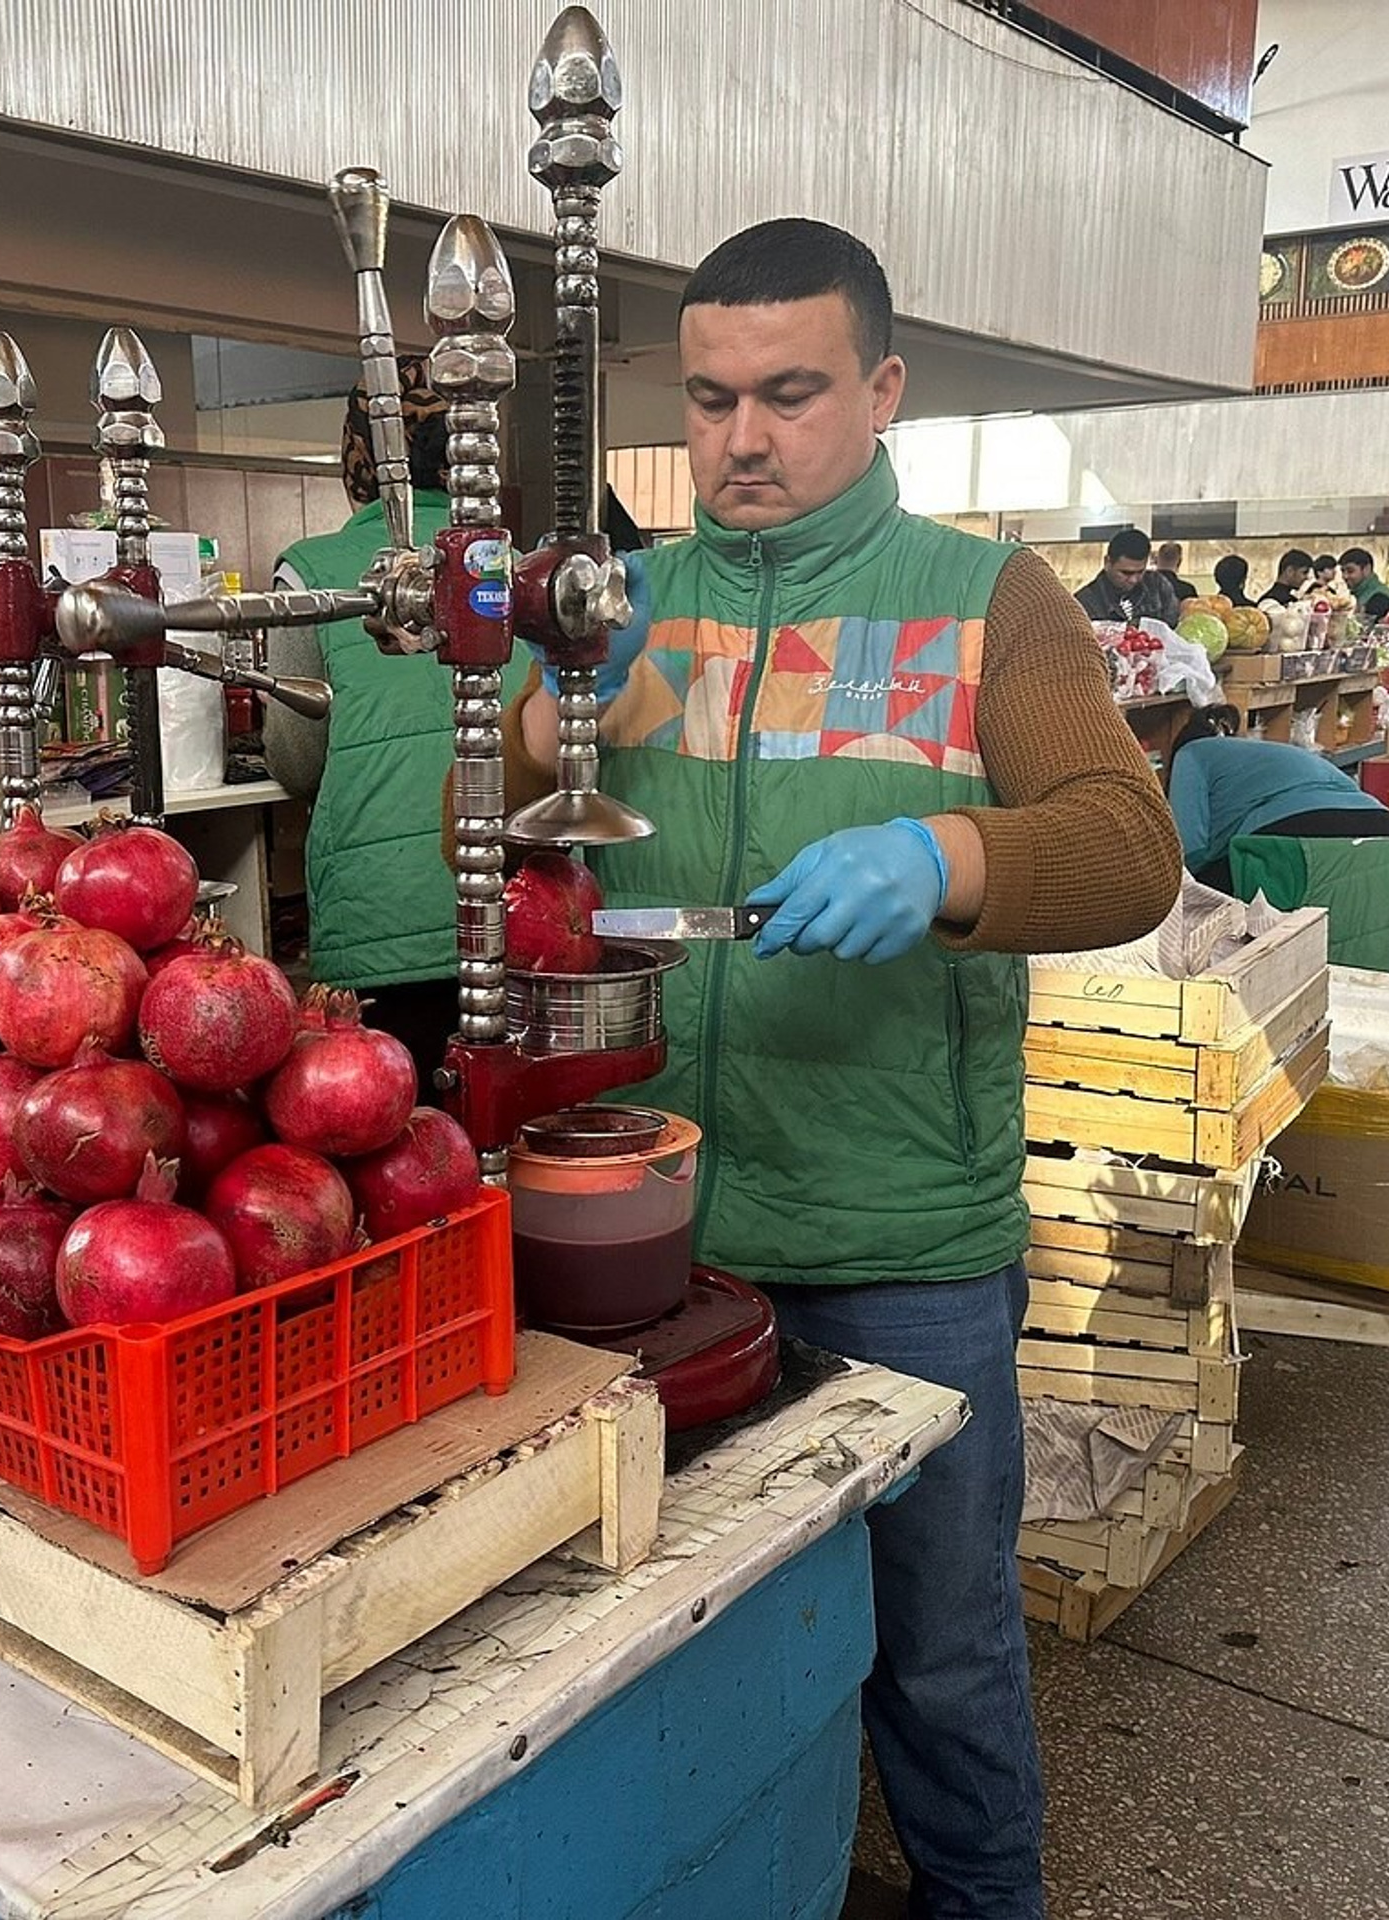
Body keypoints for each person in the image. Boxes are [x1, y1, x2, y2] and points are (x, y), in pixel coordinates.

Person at [506, 217, 1180, 1920]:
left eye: (791, 394)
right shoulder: (630, 609)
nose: (744, 437)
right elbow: (496, 842)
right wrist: (534, 718)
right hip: (646, 1235)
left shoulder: (982, 601)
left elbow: (1125, 848)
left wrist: (947, 858)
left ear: (881, 389)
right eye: (716, 397)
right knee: (661, 1643)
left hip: (900, 1240)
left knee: (942, 1659)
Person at [266, 359, 527, 1088]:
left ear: (358, 459)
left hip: (374, 923)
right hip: (513, 914)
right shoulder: (517, 567)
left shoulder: (309, 572)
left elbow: (294, 757)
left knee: (397, 1151)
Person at [1165, 705, 1389, 894]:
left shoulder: (1190, 753)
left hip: (1295, 831)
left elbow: (1189, 849)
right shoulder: (1265, 753)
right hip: (1383, 823)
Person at [1074, 527, 1181, 626]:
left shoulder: (1159, 587)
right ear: (1107, 562)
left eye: (1140, 572)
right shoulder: (1084, 603)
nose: (1134, 580)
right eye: (1126, 573)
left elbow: (1174, 628)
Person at [1340, 546, 1389, 622]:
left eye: (1350, 571)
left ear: (1366, 569)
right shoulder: (1364, 595)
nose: (1345, 576)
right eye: (1342, 571)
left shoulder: (1379, 599)